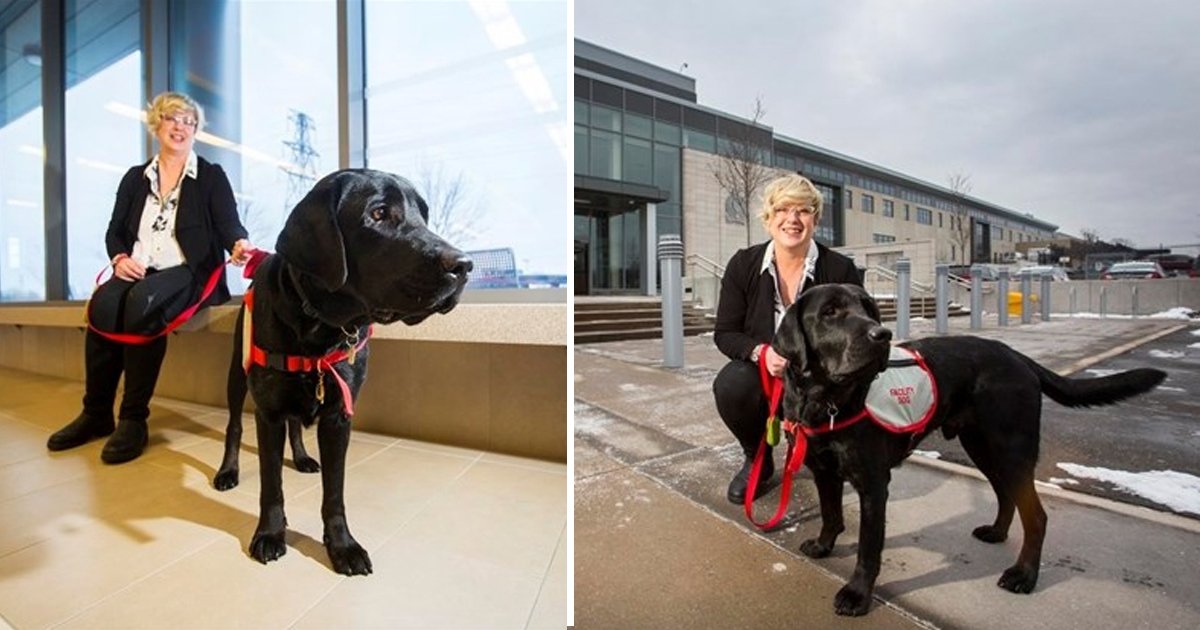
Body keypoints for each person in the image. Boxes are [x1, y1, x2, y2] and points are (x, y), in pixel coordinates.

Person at [46, 91, 253, 464]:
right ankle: (95, 414)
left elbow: (228, 224)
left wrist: (239, 244)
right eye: (173, 118)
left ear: (195, 130)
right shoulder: (134, 178)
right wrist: (120, 257)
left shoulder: (210, 176)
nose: (181, 127)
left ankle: (133, 419)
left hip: (187, 270)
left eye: (189, 121)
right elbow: (114, 232)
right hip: (138, 268)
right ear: (157, 124)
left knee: (144, 303)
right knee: (103, 305)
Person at [712, 173, 863, 503]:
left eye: (804, 210)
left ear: (816, 219)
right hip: (766, 373)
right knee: (731, 383)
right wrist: (761, 353)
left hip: (820, 376)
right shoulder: (743, 265)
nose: (792, 219)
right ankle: (758, 459)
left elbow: (856, 337)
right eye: (782, 209)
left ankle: (819, 450)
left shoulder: (840, 270)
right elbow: (725, 333)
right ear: (768, 219)